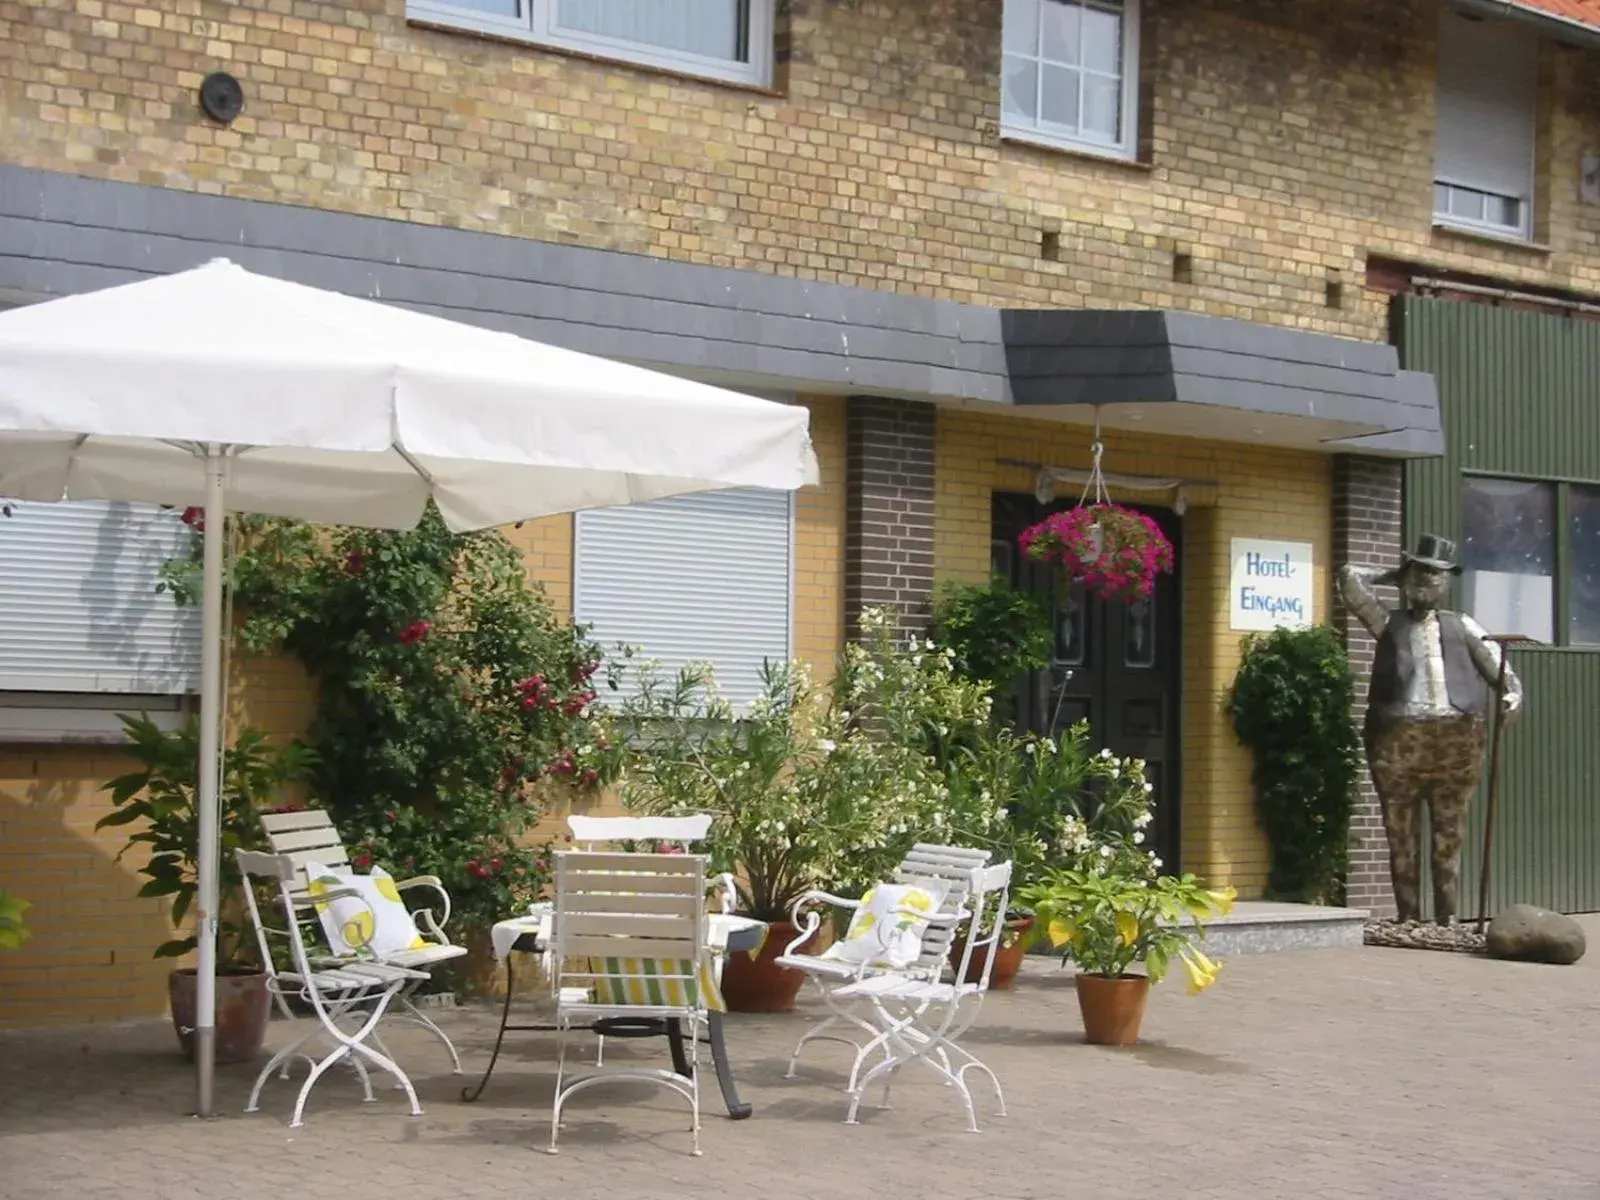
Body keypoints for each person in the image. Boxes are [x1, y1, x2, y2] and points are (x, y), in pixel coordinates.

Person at [1337, 535, 1523, 925]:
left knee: (1448, 835)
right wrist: (1394, 573)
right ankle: (1408, 917)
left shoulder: (1464, 625)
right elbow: (1350, 580)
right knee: (1400, 833)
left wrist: (1511, 696)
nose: (1427, 580)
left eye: (1436, 573)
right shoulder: (1388, 622)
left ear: (1448, 581)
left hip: (1456, 740)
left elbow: (1500, 670)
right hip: (1397, 741)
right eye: (1420, 571)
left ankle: (1448, 918)